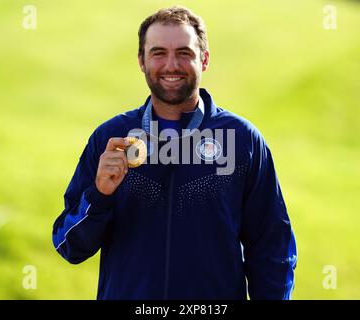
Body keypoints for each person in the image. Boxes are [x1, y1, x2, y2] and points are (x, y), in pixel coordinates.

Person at [52, 6, 297, 300]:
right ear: (142, 61)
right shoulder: (110, 139)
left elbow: (272, 250)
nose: (171, 65)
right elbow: (70, 246)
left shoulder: (241, 140)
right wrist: (100, 194)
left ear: (204, 60)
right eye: (158, 53)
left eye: (184, 53)